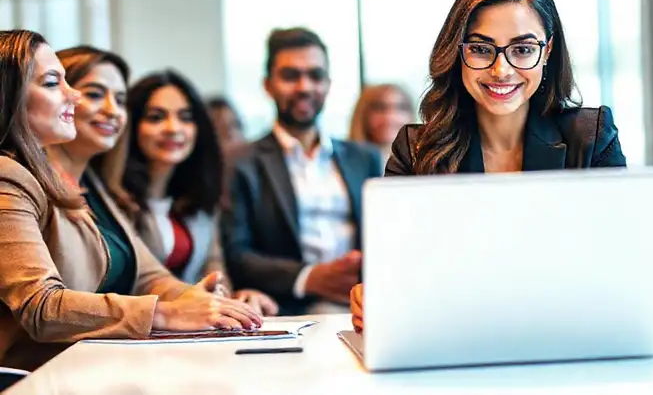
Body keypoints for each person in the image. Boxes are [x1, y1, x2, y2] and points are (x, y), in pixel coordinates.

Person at [349, 0, 627, 332]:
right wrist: (374, 296)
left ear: (547, 52)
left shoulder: (592, 138)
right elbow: (390, 273)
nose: (501, 70)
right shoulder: (416, 150)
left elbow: (622, 268)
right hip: (452, 341)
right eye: (481, 49)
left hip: (569, 335)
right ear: (456, 52)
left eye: (523, 49)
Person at [0, 31, 261, 371]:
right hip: (37, 376)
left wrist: (199, 300)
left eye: (120, 99)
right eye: (53, 83)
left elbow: (150, 276)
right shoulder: (10, 175)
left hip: (94, 367)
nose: (74, 96)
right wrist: (168, 312)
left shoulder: (94, 183)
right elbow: (41, 307)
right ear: (9, 96)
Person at [222, 27, 384, 316]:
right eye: (290, 76)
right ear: (268, 85)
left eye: (315, 75)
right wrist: (309, 278)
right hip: (285, 307)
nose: (304, 87)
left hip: (367, 301)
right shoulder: (239, 162)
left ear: (329, 83)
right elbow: (236, 253)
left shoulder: (364, 158)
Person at [112, 70, 278, 316]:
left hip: (193, 336)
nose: (173, 128)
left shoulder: (200, 200)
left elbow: (214, 274)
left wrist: (238, 298)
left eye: (185, 117)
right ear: (131, 124)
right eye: (156, 117)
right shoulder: (112, 199)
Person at [348, 83, 415, 165]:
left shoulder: (424, 163)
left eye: (401, 108)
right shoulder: (341, 163)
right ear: (363, 115)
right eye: (380, 108)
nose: (390, 118)